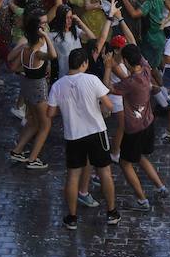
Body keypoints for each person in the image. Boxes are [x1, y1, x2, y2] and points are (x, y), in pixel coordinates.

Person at [47, 47, 118, 229]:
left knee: (72, 176)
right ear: (84, 64)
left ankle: (71, 218)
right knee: (104, 173)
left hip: (73, 135)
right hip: (96, 132)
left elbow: (50, 113)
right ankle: (111, 212)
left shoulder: (57, 86)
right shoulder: (92, 80)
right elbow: (109, 105)